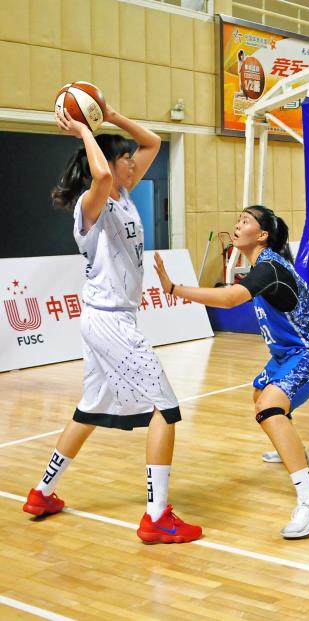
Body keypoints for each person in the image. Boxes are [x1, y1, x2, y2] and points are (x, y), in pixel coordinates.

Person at [24, 106, 202, 544]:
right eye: (124, 158)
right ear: (106, 162)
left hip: (106, 319)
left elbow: (153, 143)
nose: (132, 162)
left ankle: (42, 493)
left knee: (90, 409)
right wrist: (85, 130)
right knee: (164, 409)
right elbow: (101, 175)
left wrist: (110, 114)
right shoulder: (91, 205)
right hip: (110, 322)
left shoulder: (123, 194)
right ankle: (157, 517)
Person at [153, 206, 309, 539]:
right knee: (261, 396)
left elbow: (228, 299)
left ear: (262, 235)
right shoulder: (263, 265)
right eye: (238, 220)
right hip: (288, 354)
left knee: (268, 408)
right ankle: (293, 448)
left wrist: (173, 288)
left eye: (245, 221)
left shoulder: (269, 268)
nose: (237, 225)